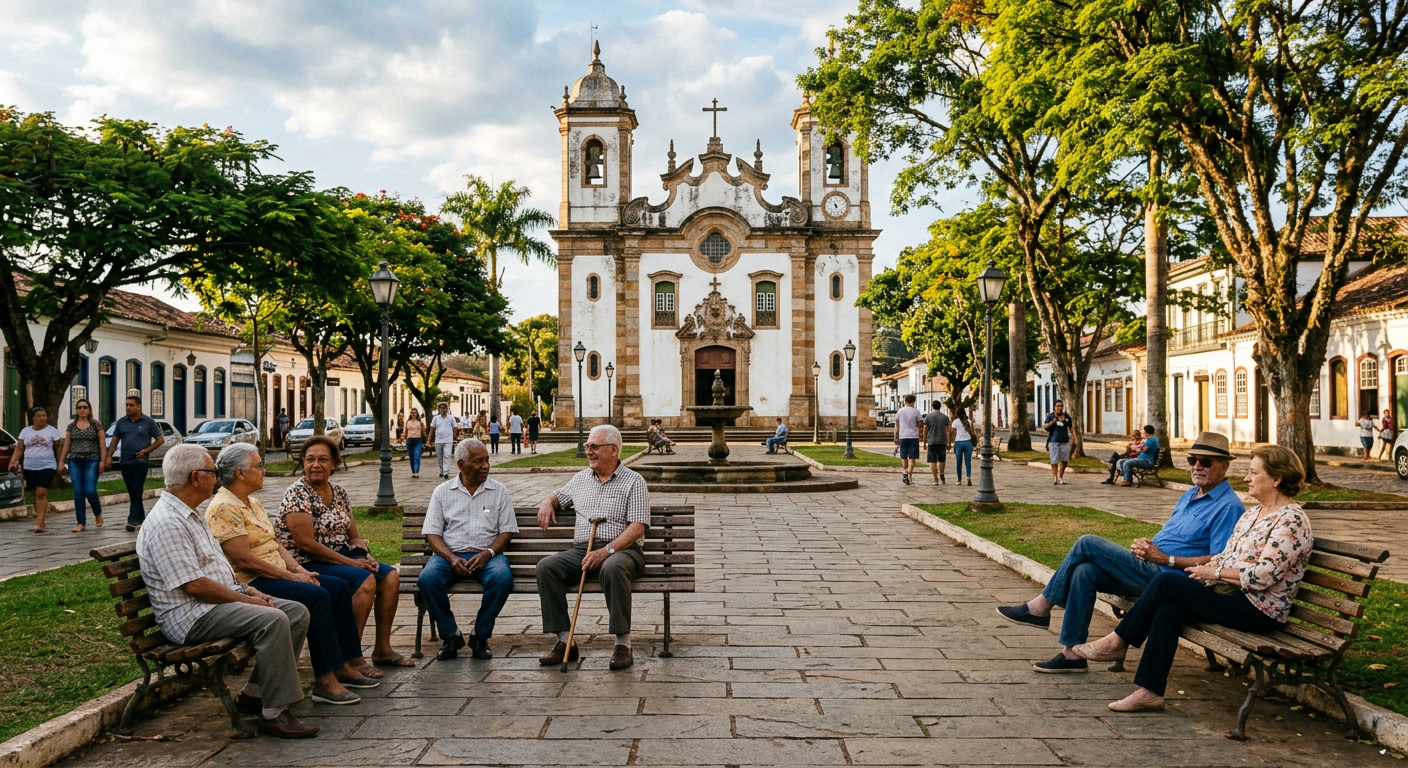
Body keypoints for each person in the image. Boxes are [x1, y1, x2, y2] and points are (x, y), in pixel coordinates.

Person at [1074, 444, 1311, 712]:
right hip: (1231, 595)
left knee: (1167, 582)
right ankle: (1150, 692)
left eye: (1254, 473)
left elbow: (1263, 576)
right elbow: (1226, 555)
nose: (1246, 478)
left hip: (1259, 609)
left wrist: (1215, 572)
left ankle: (1118, 641)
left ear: (1277, 478)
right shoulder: (1253, 514)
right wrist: (1202, 571)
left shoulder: (1291, 521)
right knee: (1169, 608)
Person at [996, 431, 1245, 673]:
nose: (1197, 466)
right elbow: (1175, 534)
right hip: (1149, 566)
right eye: (1193, 460)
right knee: (1085, 571)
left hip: (1169, 579)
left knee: (1087, 542)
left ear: (1224, 467)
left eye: (1206, 462)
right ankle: (1071, 654)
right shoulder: (1191, 494)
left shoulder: (1228, 506)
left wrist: (1163, 557)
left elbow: (1218, 560)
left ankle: (1040, 607)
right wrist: (1148, 545)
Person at [137, 444, 318, 738]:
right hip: (190, 617)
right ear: (196, 477)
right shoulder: (168, 523)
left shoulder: (191, 514)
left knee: (295, 612)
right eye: (212, 472)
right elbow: (194, 585)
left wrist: (248, 590)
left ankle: (254, 694)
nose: (216, 477)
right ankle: (274, 714)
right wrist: (247, 598)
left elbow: (219, 570)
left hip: (211, 604)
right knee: (273, 619)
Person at [206, 443, 374, 706]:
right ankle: (325, 680)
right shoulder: (224, 508)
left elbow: (277, 544)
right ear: (240, 473)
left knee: (338, 587)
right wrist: (291, 578)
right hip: (254, 582)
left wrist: (299, 570)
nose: (264, 470)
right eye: (259, 466)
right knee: (317, 596)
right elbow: (244, 560)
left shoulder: (252, 502)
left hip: (277, 573)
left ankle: (343, 662)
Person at [274, 436, 414, 670]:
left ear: (334, 464)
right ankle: (350, 656)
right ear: (303, 463)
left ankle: (382, 649)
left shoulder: (339, 492)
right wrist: (351, 564)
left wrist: (363, 553)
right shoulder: (297, 494)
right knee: (364, 581)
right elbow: (306, 544)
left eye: (322, 459)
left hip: (340, 556)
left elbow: (354, 536)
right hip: (307, 561)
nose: (315, 465)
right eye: (310, 460)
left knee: (390, 577)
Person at [535, 425, 650, 671]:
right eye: (588, 446)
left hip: (624, 550)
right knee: (546, 567)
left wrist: (606, 550)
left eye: (595, 447)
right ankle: (565, 642)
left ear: (613, 450)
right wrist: (547, 502)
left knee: (613, 568)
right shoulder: (580, 479)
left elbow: (638, 527)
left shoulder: (634, 481)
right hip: (582, 550)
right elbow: (558, 496)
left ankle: (622, 644)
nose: (589, 451)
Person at [418, 438, 517, 661]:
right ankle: (450, 636)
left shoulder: (499, 491)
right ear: (461, 465)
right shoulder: (442, 492)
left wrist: (488, 553)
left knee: (502, 577)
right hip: (449, 555)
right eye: (478, 461)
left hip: (488, 555)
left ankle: (480, 636)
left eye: (487, 460)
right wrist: (451, 557)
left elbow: (507, 532)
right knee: (427, 579)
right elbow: (432, 534)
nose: (485, 466)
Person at [103, 395, 164, 532]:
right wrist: (108, 457)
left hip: (140, 461)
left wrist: (146, 450)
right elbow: (114, 441)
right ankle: (141, 517)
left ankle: (132, 519)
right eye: (126, 405)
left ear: (139, 406)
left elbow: (160, 440)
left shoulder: (148, 422)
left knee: (137, 488)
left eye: (131, 405)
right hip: (125, 461)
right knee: (132, 490)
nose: (128, 408)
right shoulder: (121, 422)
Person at [55, 399, 105, 532]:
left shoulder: (96, 425)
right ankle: (81, 523)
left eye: (85, 407)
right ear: (76, 410)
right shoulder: (71, 426)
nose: (82, 410)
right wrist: (61, 461)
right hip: (75, 460)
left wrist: (103, 460)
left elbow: (101, 443)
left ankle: (98, 513)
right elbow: (66, 444)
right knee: (78, 492)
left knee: (89, 490)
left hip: (92, 459)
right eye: (79, 408)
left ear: (89, 409)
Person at [11, 407, 61, 533]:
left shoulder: (52, 431)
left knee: (41, 492)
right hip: (30, 466)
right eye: (39, 416)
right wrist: (14, 461)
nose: (42, 418)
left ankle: (39, 522)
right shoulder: (25, 431)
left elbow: (58, 448)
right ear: (33, 418)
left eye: (44, 415)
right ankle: (40, 519)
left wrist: (61, 463)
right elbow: (20, 448)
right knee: (35, 493)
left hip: (47, 465)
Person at [893, 394, 922, 485]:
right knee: (912, 457)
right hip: (913, 436)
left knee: (903, 456)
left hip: (903, 436)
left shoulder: (900, 411)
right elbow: (920, 424)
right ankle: (909, 475)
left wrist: (896, 436)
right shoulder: (916, 412)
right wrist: (919, 433)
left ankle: (905, 471)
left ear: (905, 401)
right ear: (914, 401)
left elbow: (896, 426)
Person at [1044, 399, 1073, 485]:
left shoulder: (1066, 416)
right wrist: (1051, 423)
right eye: (1057, 406)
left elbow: (1071, 427)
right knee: (1054, 461)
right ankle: (1055, 478)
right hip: (1053, 441)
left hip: (1065, 441)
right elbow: (1045, 426)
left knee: (1064, 460)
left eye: (1061, 406)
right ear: (1054, 407)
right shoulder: (1050, 416)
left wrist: (1075, 438)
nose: (1059, 408)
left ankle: (1060, 477)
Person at [921, 400, 951, 486]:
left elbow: (925, 431)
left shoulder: (928, 417)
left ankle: (935, 479)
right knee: (942, 459)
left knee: (932, 461)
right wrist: (948, 442)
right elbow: (948, 431)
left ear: (932, 407)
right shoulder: (945, 417)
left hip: (932, 441)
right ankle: (941, 473)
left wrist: (924, 442)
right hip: (942, 441)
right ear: (940, 407)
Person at [430, 402, 458, 479]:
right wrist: (429, 439)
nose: (443, 409)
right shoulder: (435, 418)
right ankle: (441, 470)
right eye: (441, 408)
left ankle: (446, 471)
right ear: (439, 409)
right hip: (438, 440)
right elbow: (432, 429)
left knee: (447, 455)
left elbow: (455, 427)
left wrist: (454, 434)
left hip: (448, 439)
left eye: (444, 408)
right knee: (440, 456)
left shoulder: (451, 418)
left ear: (447, 409)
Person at [951, 404, 975, 486]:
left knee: (959, 462)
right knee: (968, 461)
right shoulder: (969, 421)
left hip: (959, 443)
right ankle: (968, 477)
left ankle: (959, 480)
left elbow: (953, 433)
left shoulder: (955, 422)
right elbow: (972, 431)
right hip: (968, 442)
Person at [404, 408, 425, 478]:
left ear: (417, 414)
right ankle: (413, 471)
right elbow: (405, 432)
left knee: (417, 455)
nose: (413, 414)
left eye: (414, 413)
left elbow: (423, 431)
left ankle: (416, 471)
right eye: (412, 413)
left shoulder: (419, 422)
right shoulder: (408, 422)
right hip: (410, 440)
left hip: (417, 440)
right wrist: (403, 438)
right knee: (411, 457)